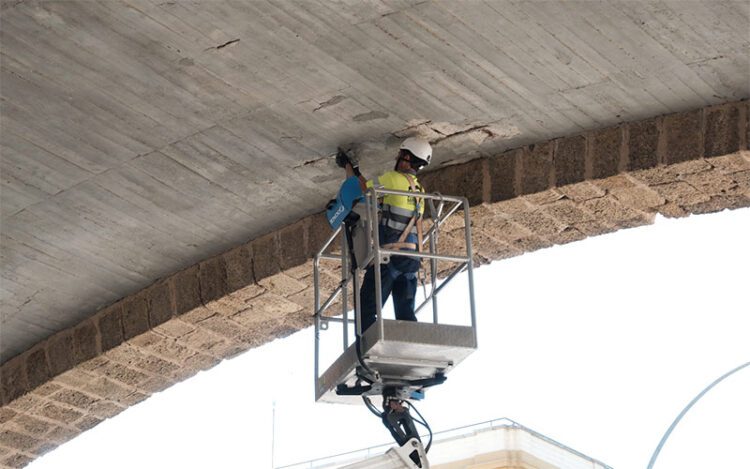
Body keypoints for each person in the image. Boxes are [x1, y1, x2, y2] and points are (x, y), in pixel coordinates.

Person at [338, 137, 432, 332]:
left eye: (400, 154)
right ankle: (409, 349)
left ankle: (367, 353)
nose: (397, 157)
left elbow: (364, 189)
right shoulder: (420, 191)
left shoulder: (393, 178)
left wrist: (351, 168)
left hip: (390, 259)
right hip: (411, 262)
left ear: (406, 157)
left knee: (367, 308)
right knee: (405, 315)